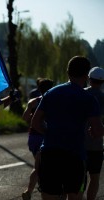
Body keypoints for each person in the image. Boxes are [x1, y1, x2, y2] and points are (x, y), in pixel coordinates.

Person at [31, 56, 104, 200]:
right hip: (75, 157)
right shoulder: (88, 99)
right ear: (85, 75)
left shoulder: (51, 93)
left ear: (67, 72)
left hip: (50, 154)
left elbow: (35, 122)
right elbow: (97, 131)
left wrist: (51, 133)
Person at [21, 78, 54, 200]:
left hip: (33, 137)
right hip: (44, 137)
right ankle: (30, 191)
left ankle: (34, 190)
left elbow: (25, 118)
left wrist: (33, 116)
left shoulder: (33, 102)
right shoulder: (52, 101)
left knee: (40, 165)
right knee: (41, 166)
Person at [84, 66, 104, 200]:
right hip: (96, 145)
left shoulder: (81, 94)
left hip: (78, 144)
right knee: (95, 178)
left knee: (79, 178)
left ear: (89, 79)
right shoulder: (103, 97)